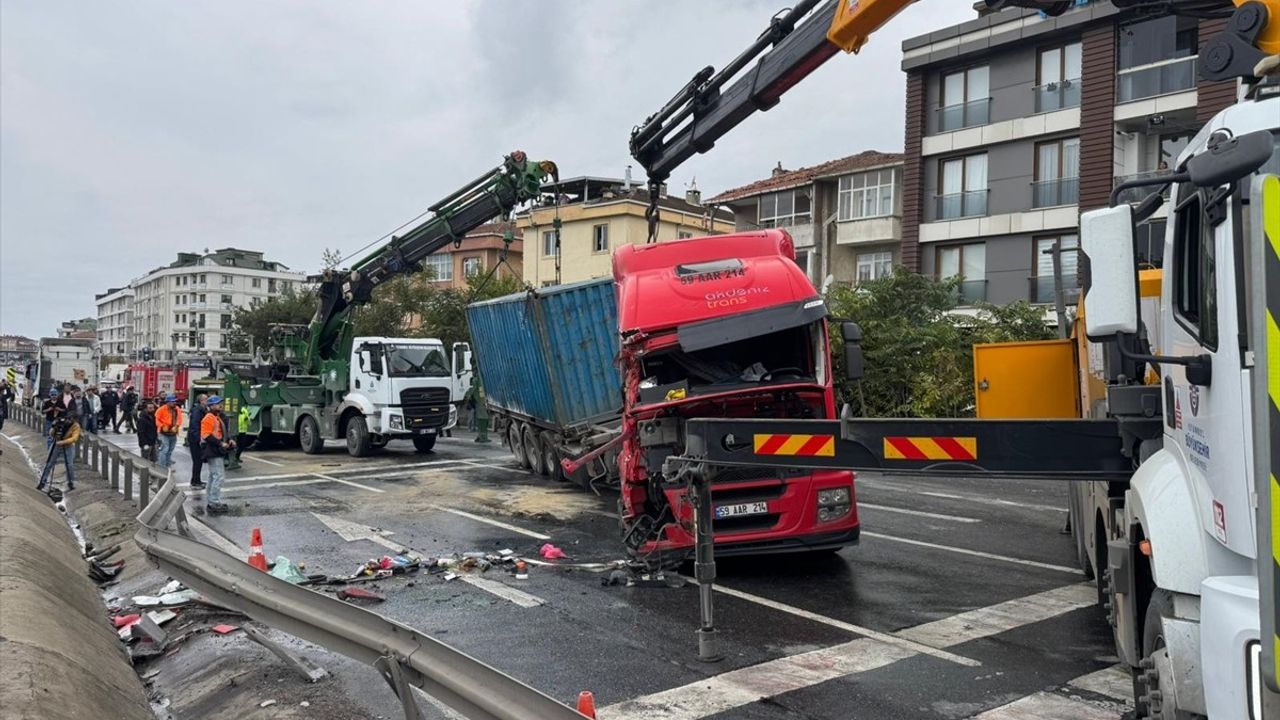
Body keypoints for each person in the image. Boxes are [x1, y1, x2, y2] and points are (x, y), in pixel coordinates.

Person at [200, 396, 233, 515]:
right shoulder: (209, 418)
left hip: (214, 449)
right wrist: (220, 443)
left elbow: (220, 432)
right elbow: (206, 435)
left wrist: (228, 440)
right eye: (218, 404)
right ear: (212, 406)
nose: (221, 405)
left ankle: (212, 501)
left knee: (213, 476)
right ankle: (214, 502)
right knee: (218, 476)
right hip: (212, 449)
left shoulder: (216, 417)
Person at [37, 410, 80, 492]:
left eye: (71, 420)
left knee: (69, 465)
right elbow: (51, 434)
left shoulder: (76, 426)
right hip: (56, 444)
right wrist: (54, 428)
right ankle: (42, 482)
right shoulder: (59, 423)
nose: (69, 421)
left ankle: (71, 483)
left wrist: (63, 442)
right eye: (68, 419)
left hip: (68, 446)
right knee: (49, 463)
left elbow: (74, 438)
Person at [155, 394, 184, 468]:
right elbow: (156, 420)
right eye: (172, 402)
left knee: (170, 450)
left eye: (175, 401)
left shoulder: (177, 409)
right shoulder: (161, 409)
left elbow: (179, 419)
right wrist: (162, 426)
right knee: (164, 449)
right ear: (167, 402)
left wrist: (176, 426)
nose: (174, 403)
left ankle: (168, 465)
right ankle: (162, 467)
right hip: (163, 433)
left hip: (173, 433)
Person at [188, 393, 208, 488]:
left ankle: (197, 480)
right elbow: (195, 425)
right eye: (205, 399)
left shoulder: (202, 410)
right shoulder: (198, 411)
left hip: (196, 438)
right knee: (197, 461)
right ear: (201, 401)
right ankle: (195, 482)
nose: (207, 401)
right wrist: (199, 439)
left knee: (198, 461)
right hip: (195, 439)